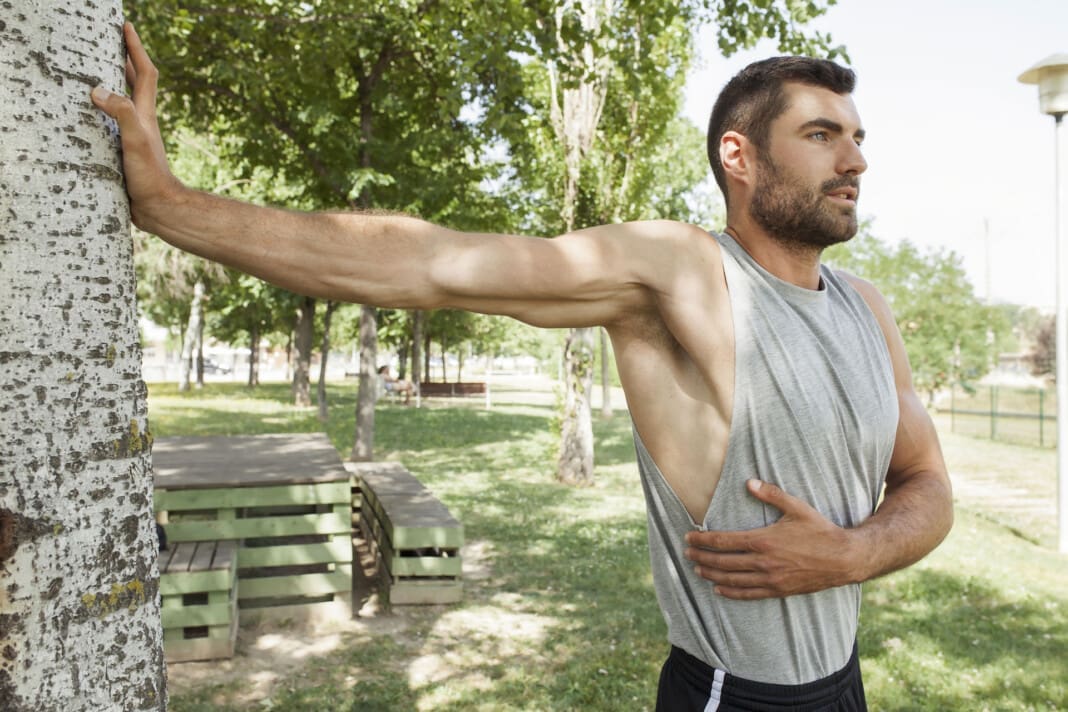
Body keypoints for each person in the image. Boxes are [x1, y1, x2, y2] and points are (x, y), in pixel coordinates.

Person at [91, 23, 952, 710]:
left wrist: (850, 554)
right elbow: (432, 264)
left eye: (858, 137)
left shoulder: (866, 307)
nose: (856, 161)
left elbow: (927, 487)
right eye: (821, 134)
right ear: (740, 155)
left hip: (844, 684)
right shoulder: (682, 271)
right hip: (736, 695)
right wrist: (170, 206)